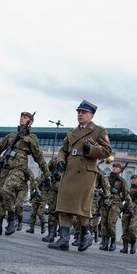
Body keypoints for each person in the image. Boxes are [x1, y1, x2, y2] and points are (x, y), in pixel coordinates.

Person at [48, 100, 112, 252]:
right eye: (79, 112)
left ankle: (86, 234)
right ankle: (63, 239)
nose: (80, 115)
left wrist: (91, 149)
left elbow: (107, 151)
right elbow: (63, 150)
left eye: (83, 112)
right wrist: (61, 160)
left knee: (80, 207)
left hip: (85, 172)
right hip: (69, 170)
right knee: (63, 205)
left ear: (91, 115)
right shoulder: (71, 133)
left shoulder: (98, 130)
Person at [0, 112, 49, 236]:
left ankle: (11, 218)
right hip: (5, 168)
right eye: (21, 117)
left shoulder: (31, 138)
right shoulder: (11, 136)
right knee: (0, 195)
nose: (22, 119)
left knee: (6, 190)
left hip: (19, 169)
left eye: (25, 117)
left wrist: (47, 174)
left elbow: (39, 157)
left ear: (30, 122)